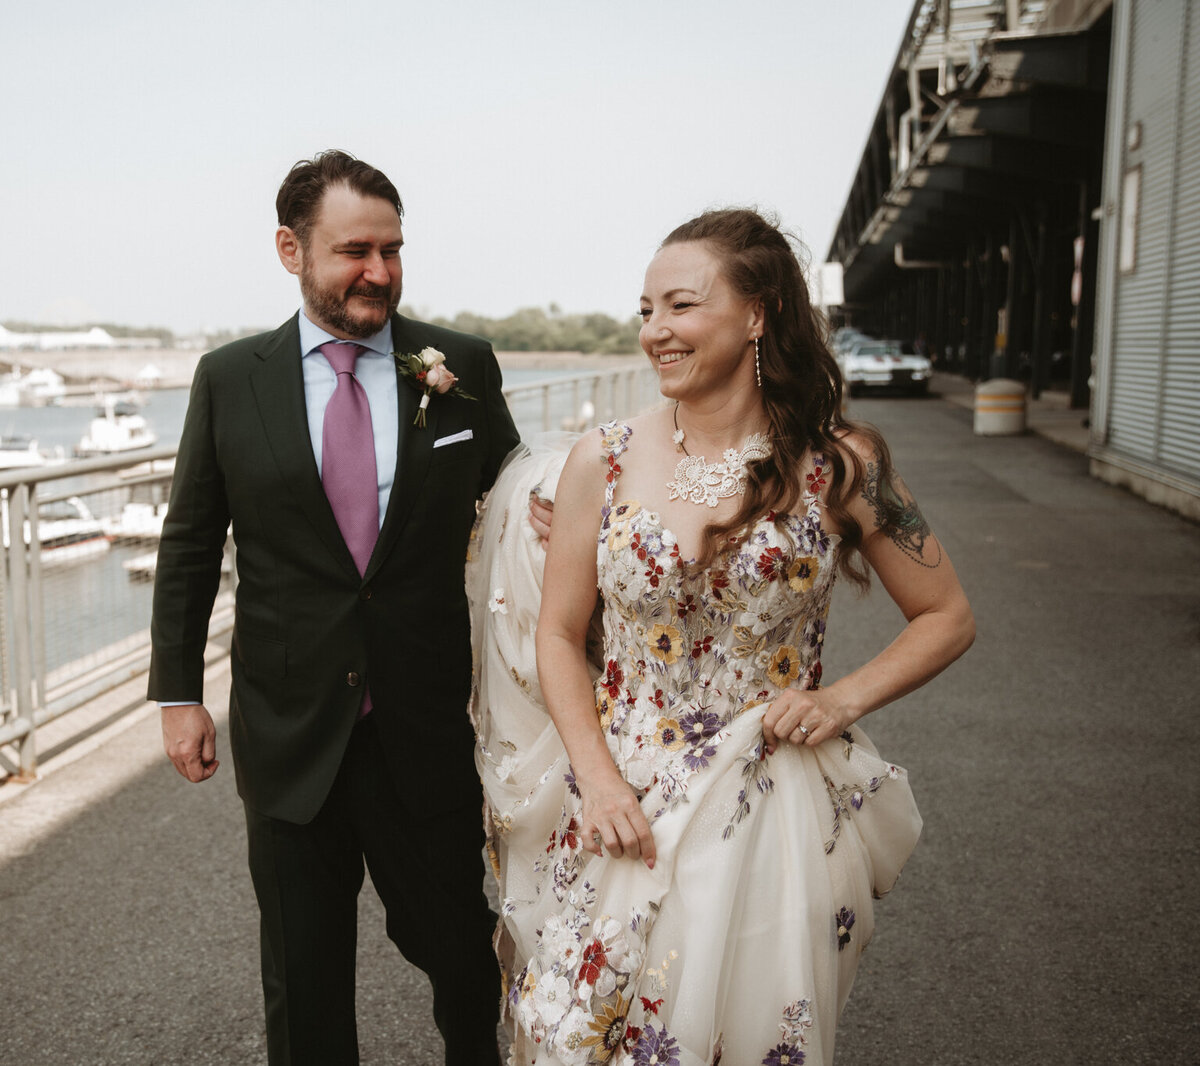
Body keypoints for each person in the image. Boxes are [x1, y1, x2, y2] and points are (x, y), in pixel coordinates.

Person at [468, 208, 975, 1065]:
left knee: (734, 1036)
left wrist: (840, 697)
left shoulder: (840, 464)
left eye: (680, 306)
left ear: (758, 313)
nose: (655, 332)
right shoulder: (605, 458)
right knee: (573, 1036)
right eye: (645, 311)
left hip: (765, 814)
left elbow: (948, 614)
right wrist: (596, 782)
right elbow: (557, 633)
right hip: (617, 797)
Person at [149, 149, 521, 1065]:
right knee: (304, 984)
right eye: (356, 250)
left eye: (393, 250)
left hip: (422, 727)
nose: (381, 273)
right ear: (291, 249)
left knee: (468, 964)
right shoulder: (231, 379)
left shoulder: (460, 365)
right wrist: (178, 695)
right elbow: (191, 543)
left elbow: (520, 505)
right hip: (287, 734)